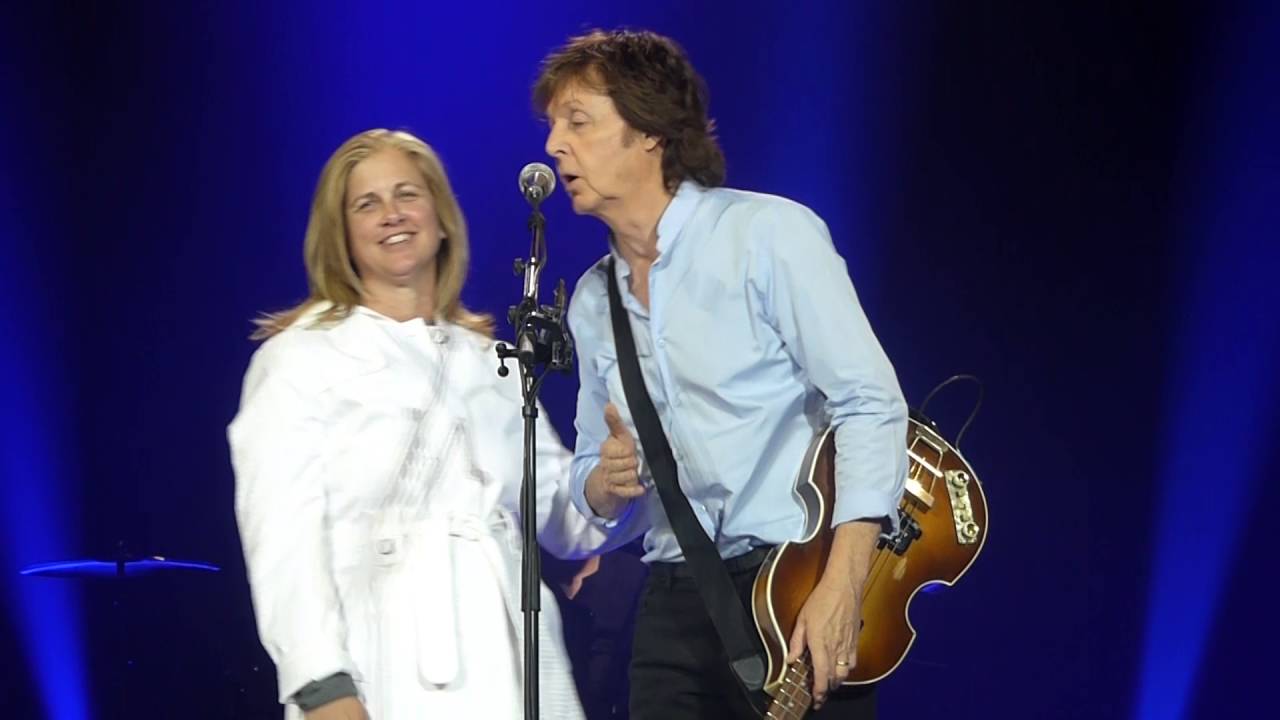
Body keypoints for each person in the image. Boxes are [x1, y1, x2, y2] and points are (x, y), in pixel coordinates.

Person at [533, 31, 909, 719]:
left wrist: (845, 585)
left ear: (648, 130)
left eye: (578, 121)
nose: (555, 145)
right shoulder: (592, 302)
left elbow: (871, 404)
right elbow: (594, 486)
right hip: (674, 600)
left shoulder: (768, 236)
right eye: (553, 126)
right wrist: (605, 482)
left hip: (796, 580)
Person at [228, 129, 604, 719]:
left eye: (406, 194)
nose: (391, 215)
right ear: (342, 234)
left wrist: (609, 483)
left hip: (514, 667)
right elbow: (281, 545)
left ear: (442, 216)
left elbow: (561, 516)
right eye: (366, 204)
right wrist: (321, 686)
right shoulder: (298, 360)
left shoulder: (494, 365)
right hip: (381, 670)